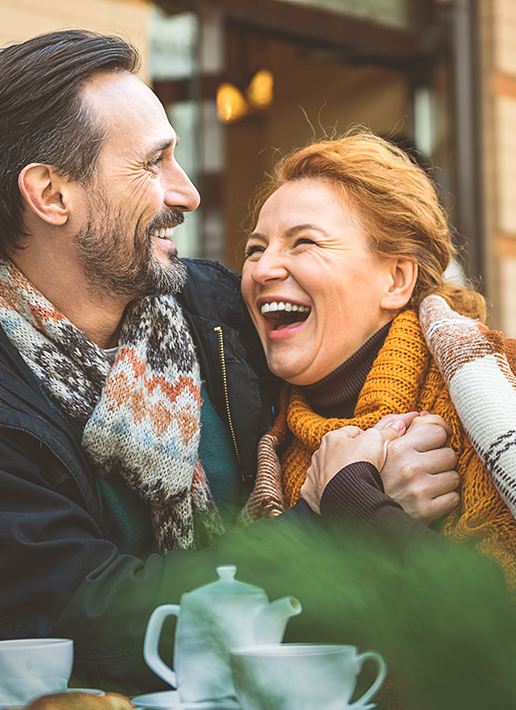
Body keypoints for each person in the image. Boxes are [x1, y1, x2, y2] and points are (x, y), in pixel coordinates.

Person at [1, 31, 514, 707]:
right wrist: (328, 515)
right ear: (50, 194)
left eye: (177, 160)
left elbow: (361, 335)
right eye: (153, 164)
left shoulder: (221, 312)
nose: (185, 192)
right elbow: (87, 615)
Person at [241, 127, 516, 594]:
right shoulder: (262, 437)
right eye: (255, 249)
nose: (262, 268)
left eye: (304, 242)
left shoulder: (498, 396)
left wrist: (353, 503)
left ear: (396, 279)